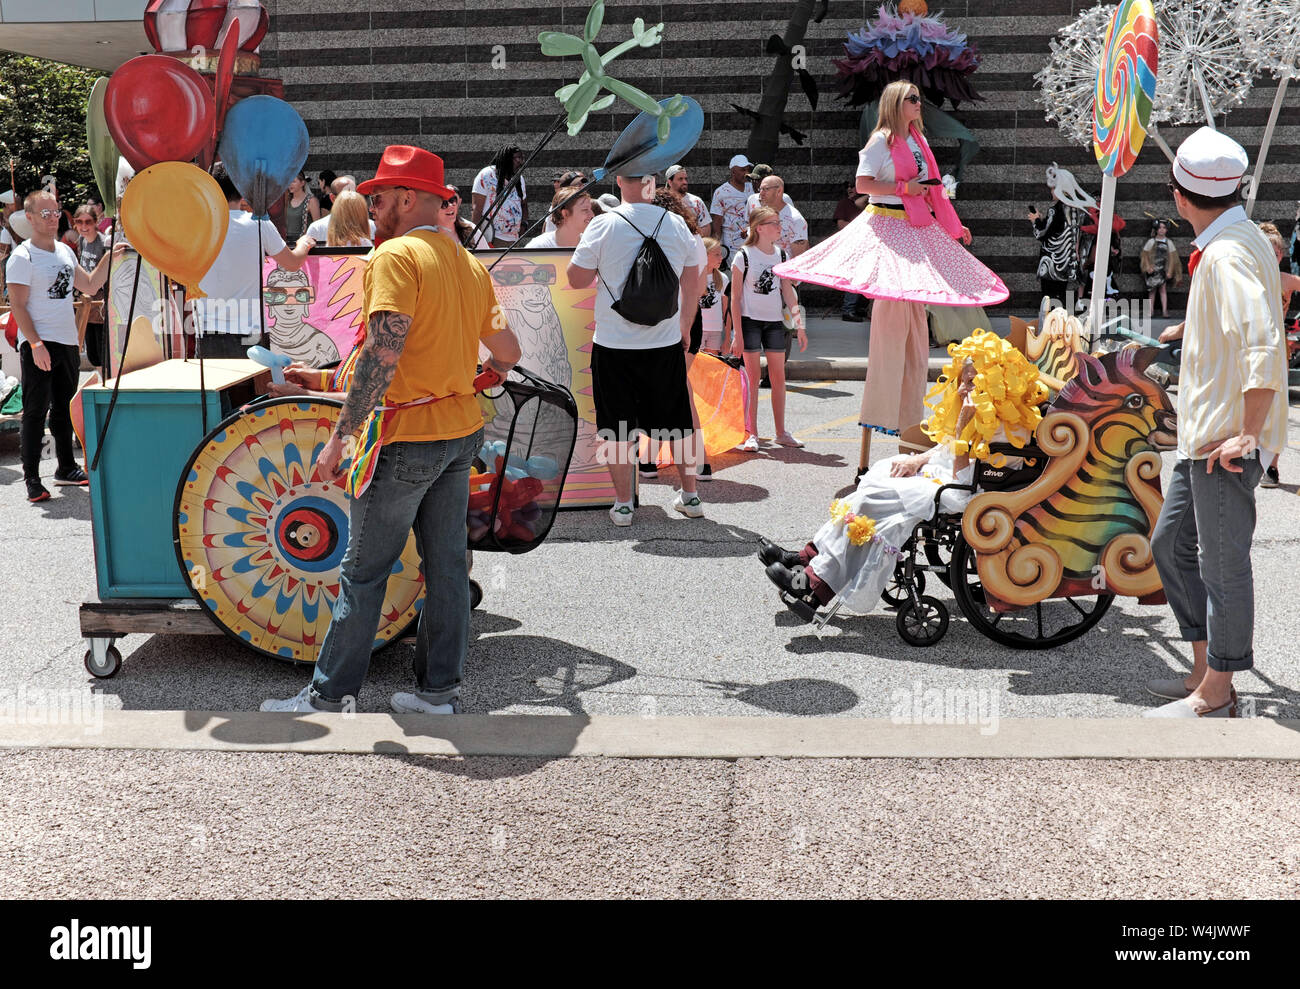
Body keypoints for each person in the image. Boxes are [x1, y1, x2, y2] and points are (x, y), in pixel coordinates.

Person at [261, 144, 522, 715]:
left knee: (363, 572)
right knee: (447, 568)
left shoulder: (396, 257)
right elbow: (508, 351)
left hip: (405, 440)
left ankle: (330, 696)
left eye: (379, 197)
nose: (372, 206)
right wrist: (478, 376)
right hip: (458, 434)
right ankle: (439, 693)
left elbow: (383, 348)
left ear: (407, 198)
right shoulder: (467, 262)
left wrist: (341, 438)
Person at [771, 79, 1007, 481]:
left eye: (919, 98)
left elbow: (931, 192)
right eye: (913, 99)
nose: (920, 104)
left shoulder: (918, 140)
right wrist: (904, 187)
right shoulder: (881, 140)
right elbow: (863, 185)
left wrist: (953, 227)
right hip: (888, 227)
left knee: (916, 339)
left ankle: (910, 436)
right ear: (897, 104)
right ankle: (874, 442)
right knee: (890, 337)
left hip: (915, 229)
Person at [1145, 127, 1288, 720]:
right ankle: (1205, 669)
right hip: (1208, 433)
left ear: (1180, 196)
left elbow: (1259, 336)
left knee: (1221, 562)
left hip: (1225, 439)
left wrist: (1249, 432)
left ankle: (1218, 689)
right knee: (1170, 544)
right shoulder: (1243, 235)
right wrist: (1194, 328)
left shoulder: (1225, 253)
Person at [761, 334, 1043, 620]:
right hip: (949, 477)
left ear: (993, 382)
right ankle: (808, 557)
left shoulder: (1009, 428)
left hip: (965, 490)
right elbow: (949, 448)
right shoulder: (985, 408)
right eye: (962, 381)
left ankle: (814, 585)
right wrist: (919, 459)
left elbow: (963, 479)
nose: (961, 389)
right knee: (879, 474)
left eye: (971, 382)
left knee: (872, 499)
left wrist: (961, 427)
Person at [567, 172, 703, 525]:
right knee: (679, 422)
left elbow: (576, 278)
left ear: (618, 180)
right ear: (653, 181)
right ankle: (690, 496)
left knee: (616, 426)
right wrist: (685, 323)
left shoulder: (603, 225)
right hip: (665, 341)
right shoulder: (675, 223)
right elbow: (694, 279)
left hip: (613, 343)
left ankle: (624, 505)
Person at [5, 189, 119, 503]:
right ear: (29, 218)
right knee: (35, 411)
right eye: (46, 213)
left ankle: (66, 467)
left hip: (67, 341)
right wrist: (37, 343)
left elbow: (90, 285)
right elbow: (17, 305)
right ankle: (31, 478)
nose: (53, 217)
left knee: (63, 409)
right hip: (39, 343)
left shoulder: (65, 252)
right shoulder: (22, 256)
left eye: (56, 212)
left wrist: (112, 254)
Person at [194, 162, 313, 358]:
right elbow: (292, 263)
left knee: (212, 389)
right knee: (254, 389)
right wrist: (304, 244)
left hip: (206, 330)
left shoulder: (198, 227)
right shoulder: (258, 224)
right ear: (243, 190)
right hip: (250, 330)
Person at [730, 205, 806, 452]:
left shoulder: (781, 255)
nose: (779, 227)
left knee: (778, 378)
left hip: (774, 322)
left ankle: (781, 432)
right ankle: (751, 433)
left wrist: (799, 326)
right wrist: (737, 334)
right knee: (752, 379)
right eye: (774, 223)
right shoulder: (743, 255)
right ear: (760, 228)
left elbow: (788, 291)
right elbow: (734, 297)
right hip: (750, 320)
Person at [1251, 221, 1299, 489]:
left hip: (1277, 346)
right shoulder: (1247, 279)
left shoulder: (1285, 280)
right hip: (1251, 343)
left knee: (1278, 405)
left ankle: (1271, 467)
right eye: (1267, 249)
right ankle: (1251, 459)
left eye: (1277, 251)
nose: (1273, 255)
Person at [1028, 163, 1093, 306]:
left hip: (1051, 263)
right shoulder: (1077, 210)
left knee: (1048, 300)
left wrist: (1035, 220)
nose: (1051, 192)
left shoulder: (1055, 210)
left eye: (1052, 188)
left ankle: (1050, 326)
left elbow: (1041, 233)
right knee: (1061, 299)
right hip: (1067, 264)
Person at [71, 204, 110, 372]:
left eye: (88, 222)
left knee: (104, 353)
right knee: (93, 354)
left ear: (96, 222)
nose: (84, 227)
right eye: (79, 222)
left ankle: (108, 383)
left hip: (101, 305)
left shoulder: (103, 243)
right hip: (87, 303)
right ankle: (102, 382)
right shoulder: (81, 240)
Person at [472, 145, 528, 248]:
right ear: (506, 159)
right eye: (517, 158)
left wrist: (524, 224)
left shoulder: (519, 179)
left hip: (514, 240)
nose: (521, 161)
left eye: (522, 158)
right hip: (492, 238)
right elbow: (477, 209)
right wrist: (476, 239)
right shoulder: (487, 175)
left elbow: (524, 204)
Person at [833, 181, 870, 321]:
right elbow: (841, 224)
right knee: (855, 276)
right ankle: (848, 310)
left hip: (868, 245)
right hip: (853, 246)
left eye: (852, 186)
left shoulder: (868, 204)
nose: (849, 189)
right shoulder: (844, 203)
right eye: (847, 186)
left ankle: (858, 308)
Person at [709, 154, 755, 262]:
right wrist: (717, 247)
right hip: (732, 248)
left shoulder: (753, 187)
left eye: (747, 169)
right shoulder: (721, 192)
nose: (746, 173)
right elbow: (717, 223)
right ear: (733, 171)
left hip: (752, 244)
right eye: (742, 170)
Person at [303, 176, 376, 242]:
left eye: (353, 194)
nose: (351, 198)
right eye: (345, 195)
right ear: (333, 198)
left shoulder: (371, 226)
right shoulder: (317, 228)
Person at [1140, 219, 1182, 317]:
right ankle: (1150, 311)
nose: (1162, 230)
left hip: (1163, 269)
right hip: (1153, 269)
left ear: (1167, 230)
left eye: (1164, 228)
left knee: (1163, 290)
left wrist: (1170, 270)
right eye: (1159, 228)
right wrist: (1147, 266)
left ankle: (1164, 310)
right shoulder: (1151, 241)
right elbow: (1144, 255)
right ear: (1156, 229)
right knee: (1152, 290)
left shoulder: (1169, 242)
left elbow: (1172, 258)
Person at [527, 189, 594, 248]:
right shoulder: (539, 247)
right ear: (565, 214)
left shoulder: (592, 245)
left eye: (590, 209)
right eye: (585, 210)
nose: (592, 215)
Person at [698, 237, 730, 355]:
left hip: (715, 331)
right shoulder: (692, 276)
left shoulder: (723, 278)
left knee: (711, 369)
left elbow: (727, 312)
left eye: (721, 254)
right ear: (704, 256)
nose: (721, 258)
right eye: (716, 254)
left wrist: (727, 340)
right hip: (696, 329)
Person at [665, 164, 710, 236]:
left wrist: (693, 240)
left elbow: (706, 227)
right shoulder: (663, 202)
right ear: (670, 182)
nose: (685, 182)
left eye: (686, 179)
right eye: (680, 179)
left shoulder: (696, 201)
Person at [282, 171, 321, 243]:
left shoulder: (311, 201)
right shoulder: (287, 200)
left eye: (293, 181)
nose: (290, 184)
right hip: (287, 242)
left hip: (304, 242)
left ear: (302, 183)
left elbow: (317, 225)